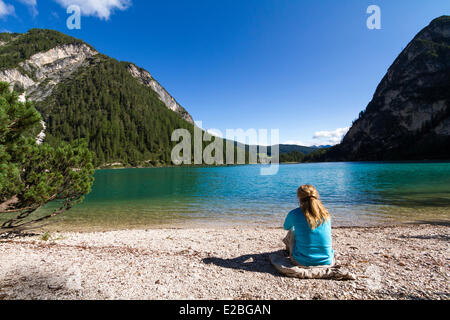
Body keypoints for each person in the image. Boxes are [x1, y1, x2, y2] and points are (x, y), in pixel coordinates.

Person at [283, 184, 334, 267]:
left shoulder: (294, 213)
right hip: (327, 260)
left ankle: (292, 251)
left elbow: (286, 227)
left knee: (292, 231)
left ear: (299, 198)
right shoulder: (325, 213)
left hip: (302, 261)